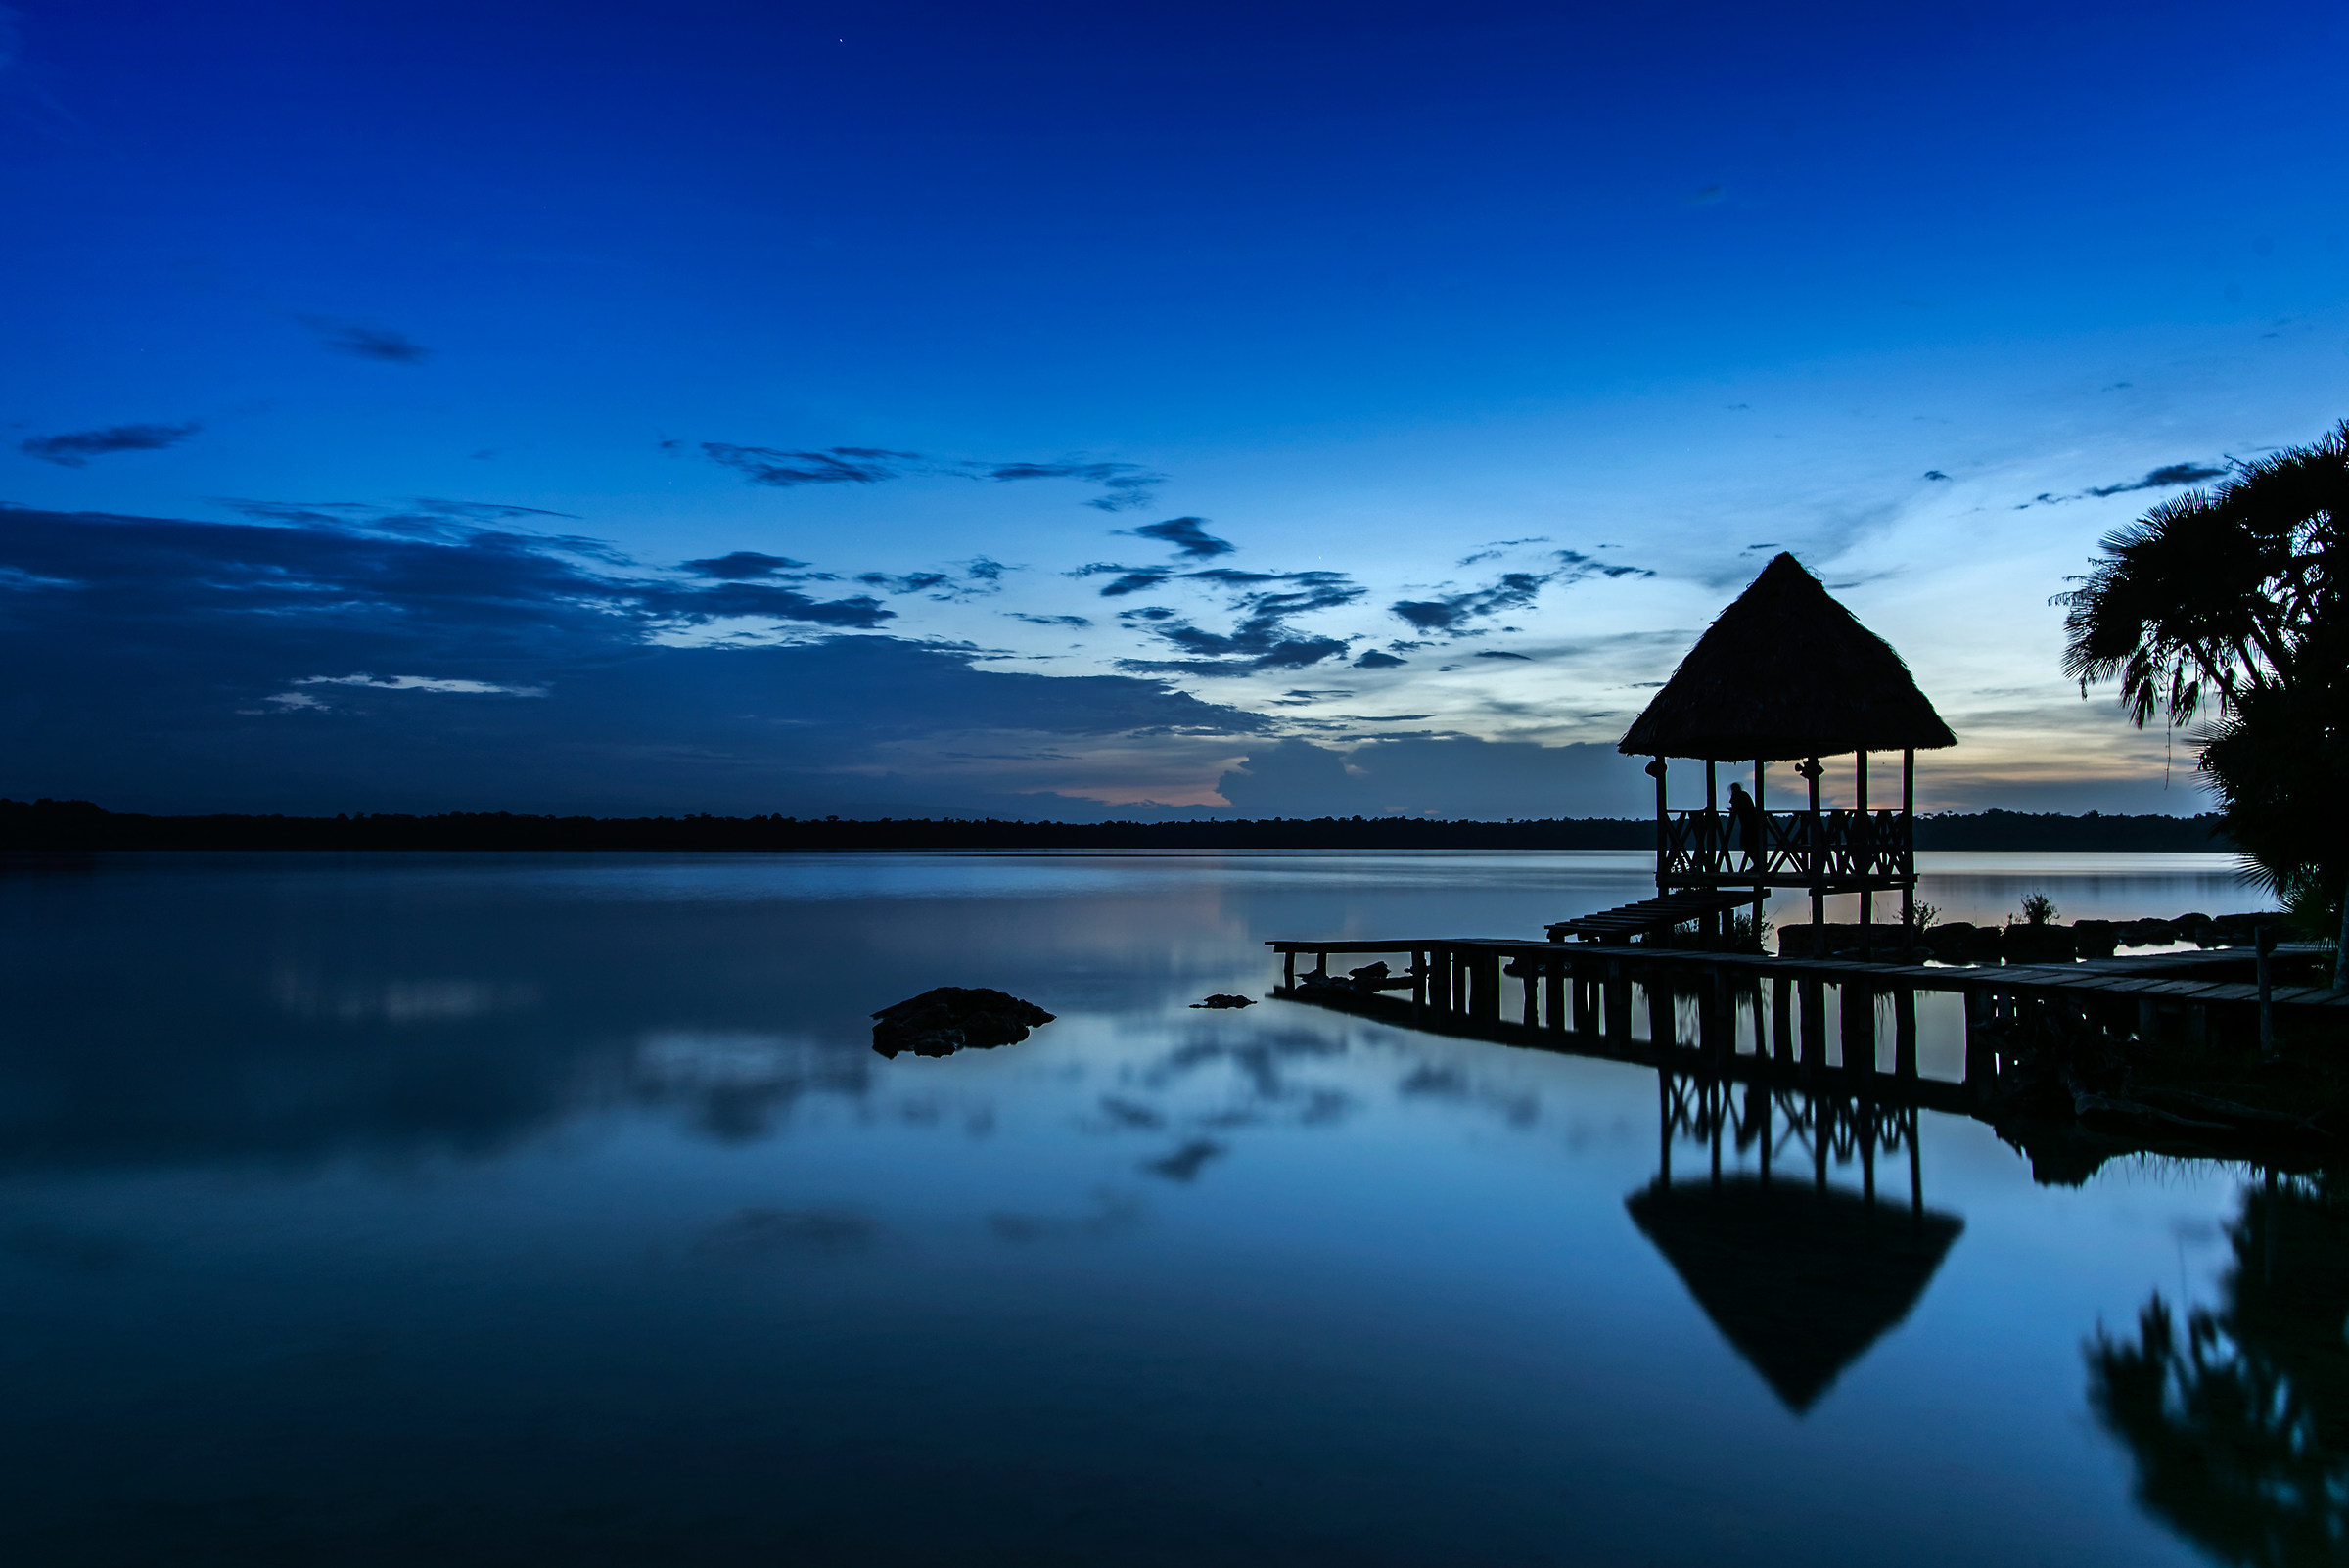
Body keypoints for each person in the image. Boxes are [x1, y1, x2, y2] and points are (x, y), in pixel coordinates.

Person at [1726, 780, 1763, 869]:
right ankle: (1758, 864)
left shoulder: (1739, 796)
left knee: (1746, 845)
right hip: (1751, 823)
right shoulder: (1744, 795)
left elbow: (1735, 806)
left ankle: (1758, 864)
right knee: (1751, 845)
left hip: (1748, 824)